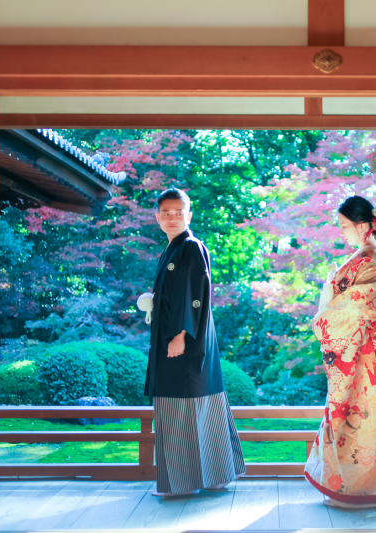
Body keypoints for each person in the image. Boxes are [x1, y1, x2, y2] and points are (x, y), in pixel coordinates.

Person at [305, 195, 376, 507]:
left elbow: (343, 310)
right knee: (369, 419)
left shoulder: (367, 264)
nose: (341, 231)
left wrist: (327, 303)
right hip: (370, 353)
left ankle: (356, 491)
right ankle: (368, 489)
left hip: (361, 353)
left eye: (344, 226)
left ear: (363, 226)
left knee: (356, 419)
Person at [143, 188, 245, 497]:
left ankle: (182, 483)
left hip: (185, 342)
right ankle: (215, 477)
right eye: (166, 213)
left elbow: (193, 295)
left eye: (178, 213)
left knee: (184, 404)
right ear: (157, 217)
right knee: (200, 402)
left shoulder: (190, 247)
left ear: (188, 215)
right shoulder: (173, 249)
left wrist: (181, 335)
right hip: (183, 341)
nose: (172, 218)